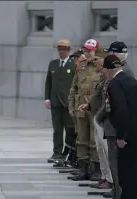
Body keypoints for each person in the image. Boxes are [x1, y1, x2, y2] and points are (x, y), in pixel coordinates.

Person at [103, 55, 137, 199]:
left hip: (129, 136)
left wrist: (121, 136)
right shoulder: (132, 81)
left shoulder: (115, 84)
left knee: (127, 172)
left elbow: (121, 111)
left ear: (109, 70)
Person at [78, 48, 113, 189]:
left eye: (101, 65)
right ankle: (105, 178)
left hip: (105, 118)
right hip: (99, 116)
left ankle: (108, 179)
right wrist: (88, 105)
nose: (101, 68)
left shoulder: (110, 78)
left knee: (103, 149)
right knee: (100, 149)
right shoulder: (105, 78)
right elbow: (97, 95)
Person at [68, 39, 101, 181]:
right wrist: (71, 106)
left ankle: (96, 170)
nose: (87, 53)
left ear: (96, 51)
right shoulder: (81, 66)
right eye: (85, 50)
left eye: (90, 51)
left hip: (95, 109)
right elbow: (74, 88)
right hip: (80, 108)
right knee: (81, 139)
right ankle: (83, 169)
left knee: (94, 140)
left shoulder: (101, 66)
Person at [44, 40, 77, 164]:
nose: (61, 52)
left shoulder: (73, 64)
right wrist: (47, 98)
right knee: (57, 130)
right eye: (59, 49)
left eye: (63, 49)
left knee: (69, 129)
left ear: (69, 50)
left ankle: (67, 153)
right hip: (55, 103)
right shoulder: (53, 64)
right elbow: (48, 82)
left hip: (68, 103)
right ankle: (56, 152)